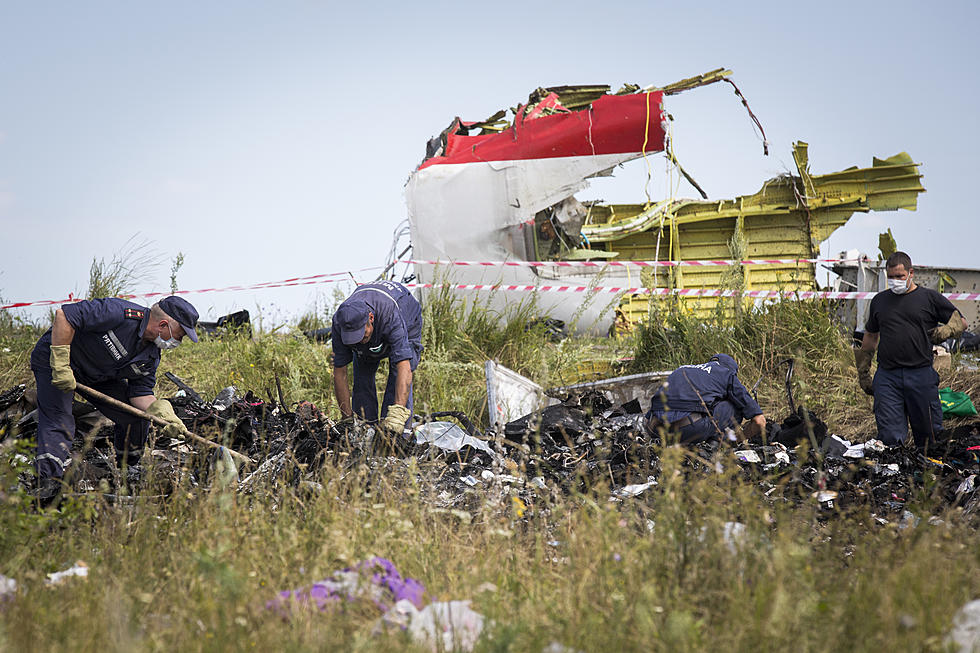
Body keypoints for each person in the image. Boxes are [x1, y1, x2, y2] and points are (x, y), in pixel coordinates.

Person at [29, 295, 199, 504]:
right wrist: (62, 365)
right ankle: (46, 482)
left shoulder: (151, 355)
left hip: (97, 377)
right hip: (56, 360)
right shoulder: (118, 313)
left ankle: (127, 472)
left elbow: (140, 394)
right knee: (59, 420)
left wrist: (161, 412)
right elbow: (65, 315)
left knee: (135, 418)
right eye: (179, 336)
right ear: (164, 324)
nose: (178, 343)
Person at [854, 251, 966, 448]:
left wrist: (945, 331)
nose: (895, 281)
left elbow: (961, 322)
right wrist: (863, 372)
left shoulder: (929, 298)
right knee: (889, 438)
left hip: (920, 375)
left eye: (900, 276)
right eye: (891, 277)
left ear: (911, 273)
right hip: (888, 377)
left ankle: (927, 473)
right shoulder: (880, 301)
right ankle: (893, 473)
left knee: (929, 437)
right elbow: (871, 336)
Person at [332, 280, 423, 436]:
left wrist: (397, 414)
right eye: (352, 337)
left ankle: (397, 435)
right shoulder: (340, 321)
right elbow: (340, 372)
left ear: (371, 318)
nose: (359, 340)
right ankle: (365, 430)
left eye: (361, 334)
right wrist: (346, 420)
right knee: (362, 376)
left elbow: (404, 367)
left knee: (397, 377)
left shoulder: (389, 314)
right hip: (377, 324)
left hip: (406, 316)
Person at [645, 353, 766, 444]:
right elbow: (759, 421)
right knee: (734, 407)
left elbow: (654, 407)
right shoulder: (726, 373)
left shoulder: (681, 369)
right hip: (687, 432)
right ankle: (716, 445)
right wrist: (736, 440)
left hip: (655, 430)